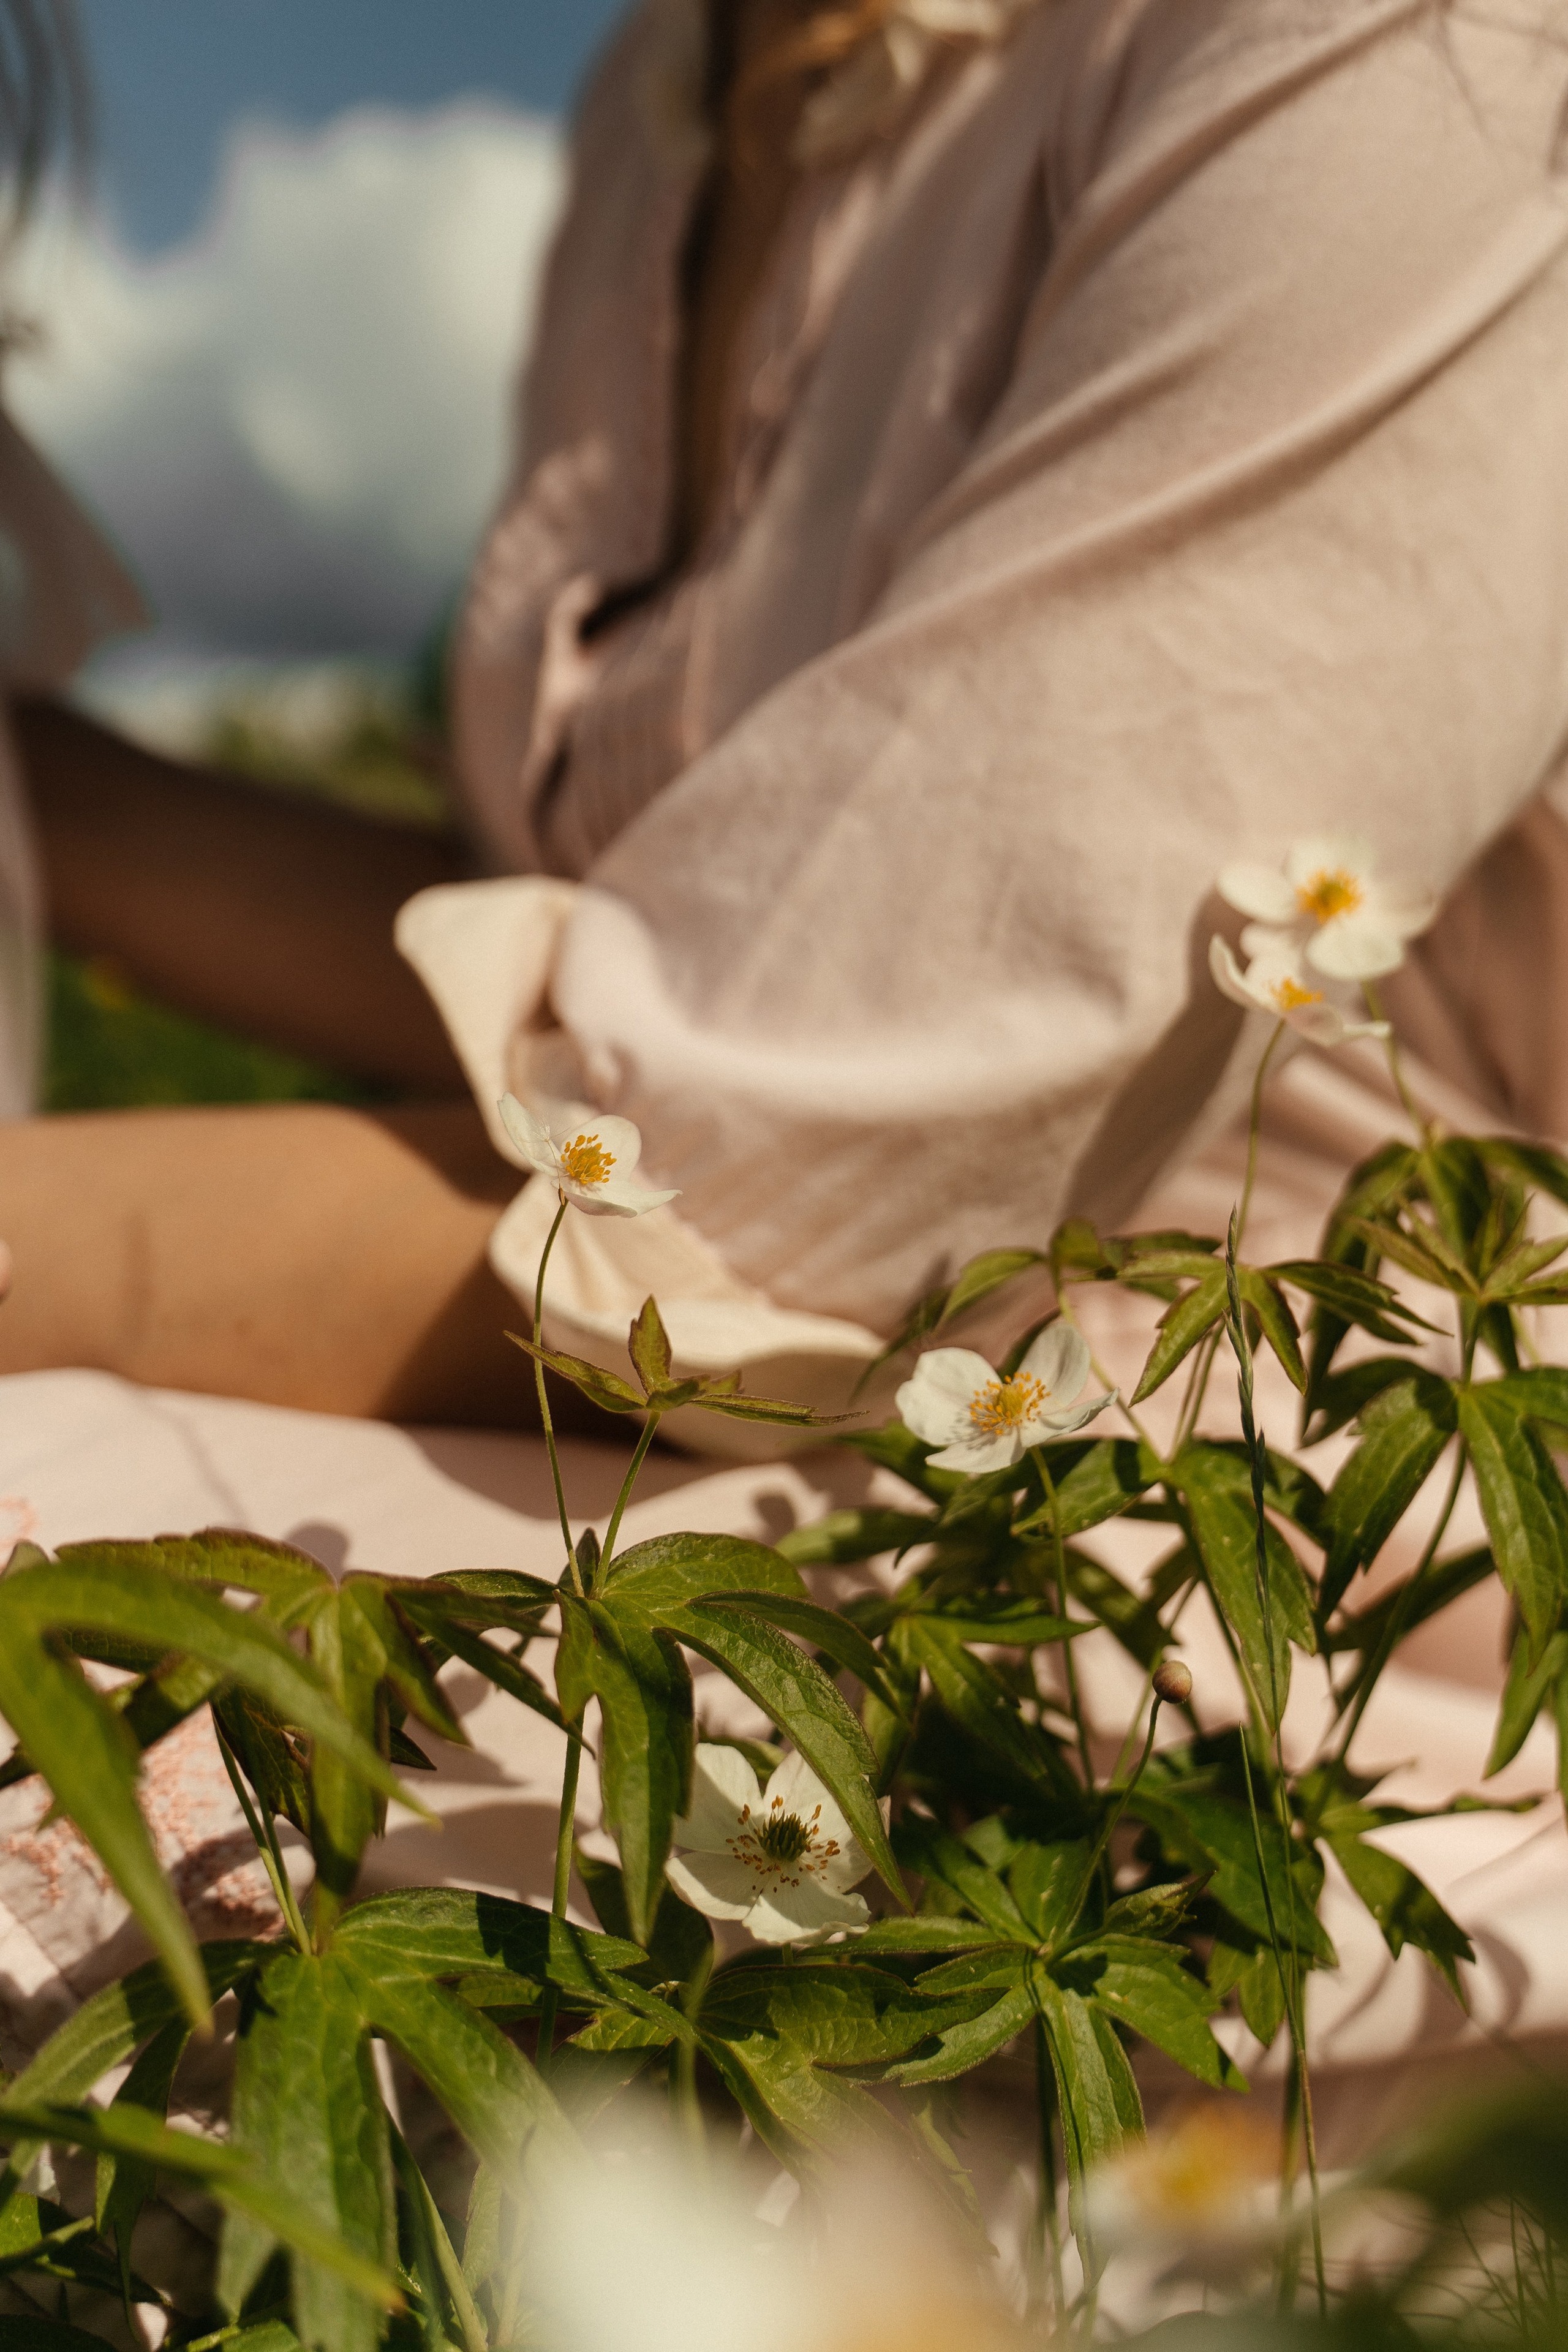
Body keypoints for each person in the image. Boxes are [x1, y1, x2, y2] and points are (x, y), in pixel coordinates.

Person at [1, 0, 1568, 2129]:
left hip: (1232, 1589)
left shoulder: (1412, 52)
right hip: (747, 1433)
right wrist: (61, 802)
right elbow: (630, 1000)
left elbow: (758, 1180)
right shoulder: (677, 102)